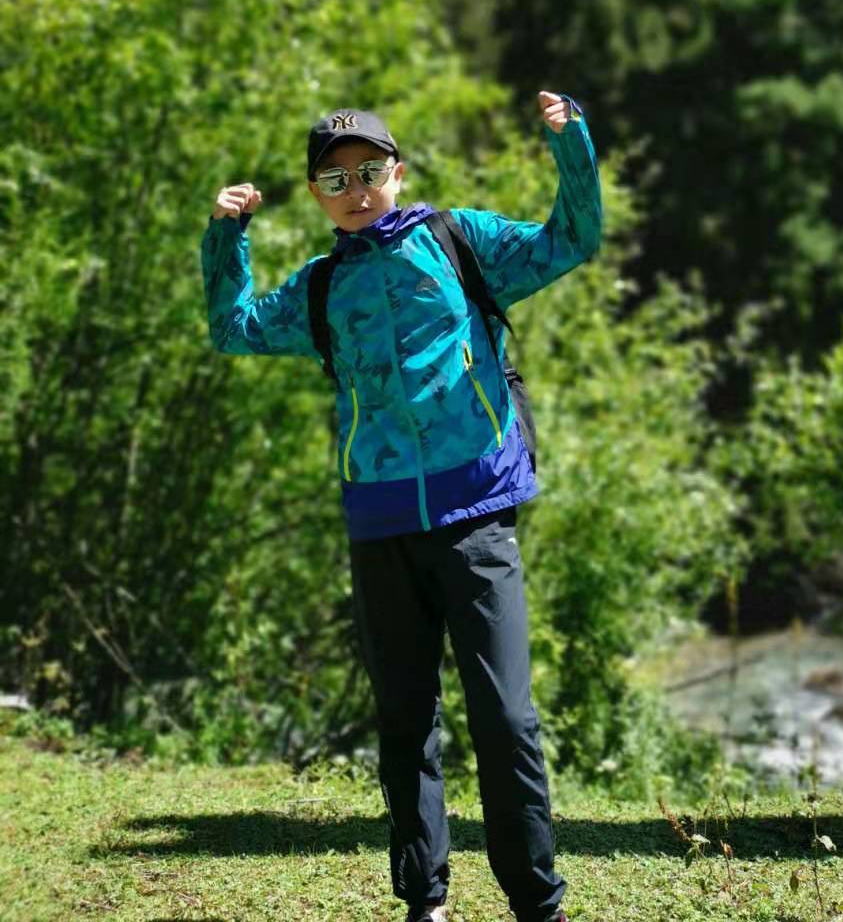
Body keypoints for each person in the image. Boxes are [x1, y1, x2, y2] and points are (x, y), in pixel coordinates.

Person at [201, 89, 602, 922]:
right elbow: (234, 327)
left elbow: (572, 238)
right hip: (380, 526)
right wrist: (227, 236)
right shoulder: (322, 288)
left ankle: (538, 904)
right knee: (405, 723)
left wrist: (572, 145)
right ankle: (426, 901)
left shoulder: (459, 241)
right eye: (335, 180)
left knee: (506, 719)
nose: (355, 191)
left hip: (476, 513)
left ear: (398, 171)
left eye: (369, 172)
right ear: (316, 195)